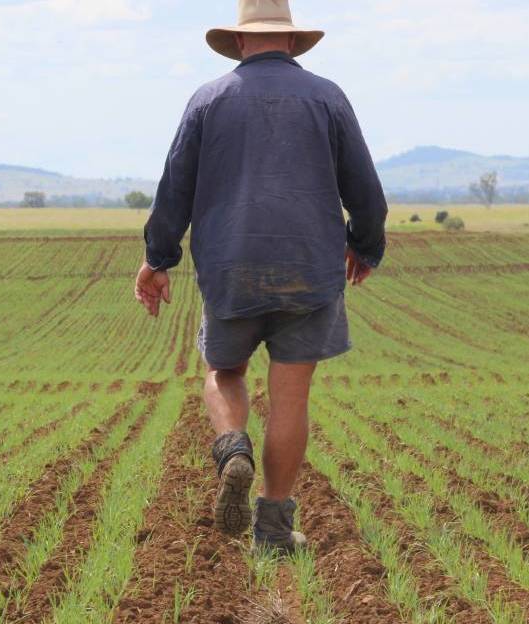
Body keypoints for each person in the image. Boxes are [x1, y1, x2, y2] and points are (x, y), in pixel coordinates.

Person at [133, 0, 387, 554]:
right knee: (291, 397)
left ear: (240, 41)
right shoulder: (328, 97)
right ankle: (273, 527)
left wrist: (158, 259)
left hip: (230, 267)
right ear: (293, 42)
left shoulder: (208, 100)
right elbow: (365, 189)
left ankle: (232, 449)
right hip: (311, 270)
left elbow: (173, 189)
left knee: (224, 373)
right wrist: (365, 246)